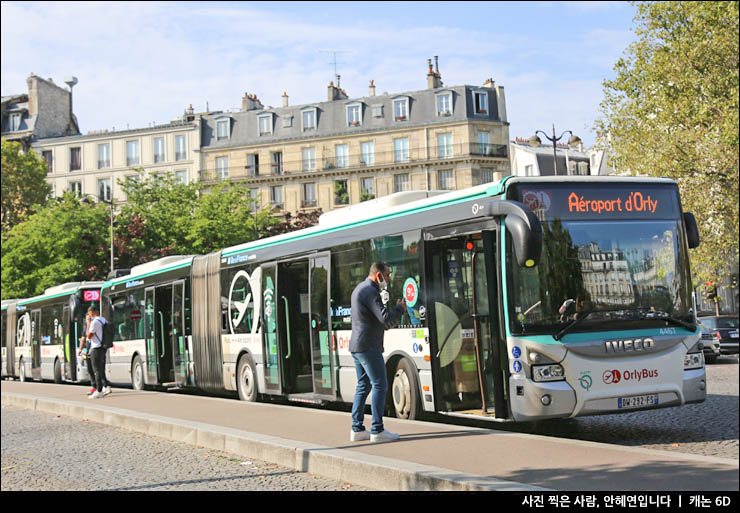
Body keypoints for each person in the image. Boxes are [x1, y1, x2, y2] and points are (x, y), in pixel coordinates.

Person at [349, 262, 406, 443]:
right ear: (378, 275)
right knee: (380, 384)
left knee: (363, 386)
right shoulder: (370, 291)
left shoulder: (360, 288)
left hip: (358, 345)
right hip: (368, 346)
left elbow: (377, 320)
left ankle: (357, 429)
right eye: (387, 275)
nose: (389, 279)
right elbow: (385, 318)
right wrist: (400, 309)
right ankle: (377, 430)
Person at [86, 306, 112, 399]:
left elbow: (88, 335)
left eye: (89, 314)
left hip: (96, 348)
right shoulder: (103, 320)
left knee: (96, 370)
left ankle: (99, 390)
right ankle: (104, 387)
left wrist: (88, 323)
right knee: (101, 369)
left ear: (92, 313)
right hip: (103, 347)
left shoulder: (95, 322)